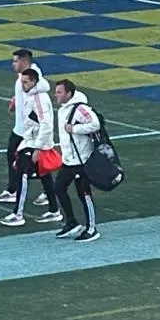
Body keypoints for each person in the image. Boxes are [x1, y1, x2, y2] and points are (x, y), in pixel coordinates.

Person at [0, 68, 63, 227]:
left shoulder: (39, 99)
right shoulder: (33, 96)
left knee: (22, 175)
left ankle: (18, 214)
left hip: (34, 143)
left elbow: (46, 125)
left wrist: (38, 148)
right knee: (45, 176)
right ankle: (54, 211)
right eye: (21, 82)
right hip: (32, 141)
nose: (23, 85)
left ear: (34, 82)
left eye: (25, 82)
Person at [0, 49, 51, 209]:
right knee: (16, 158)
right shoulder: (22, 77)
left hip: (29, 131)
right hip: (20, 128)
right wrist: (15, 100)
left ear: (24, 61)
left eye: (16, 61)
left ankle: (43, 193)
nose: (13, 64)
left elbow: (43, 87)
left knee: (33, 163)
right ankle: (14, 190)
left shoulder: (33, 76)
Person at [53, 78, 102, 243]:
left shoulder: (80, 108)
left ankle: (92, 228)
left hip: (82, 161)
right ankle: (71, 222)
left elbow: (95, 124)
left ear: (69, 93)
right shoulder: (63, 110)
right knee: (58, 188)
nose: (56, 95)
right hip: (69, 160)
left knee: (85, 195)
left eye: (59, 92)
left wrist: (74, 129)